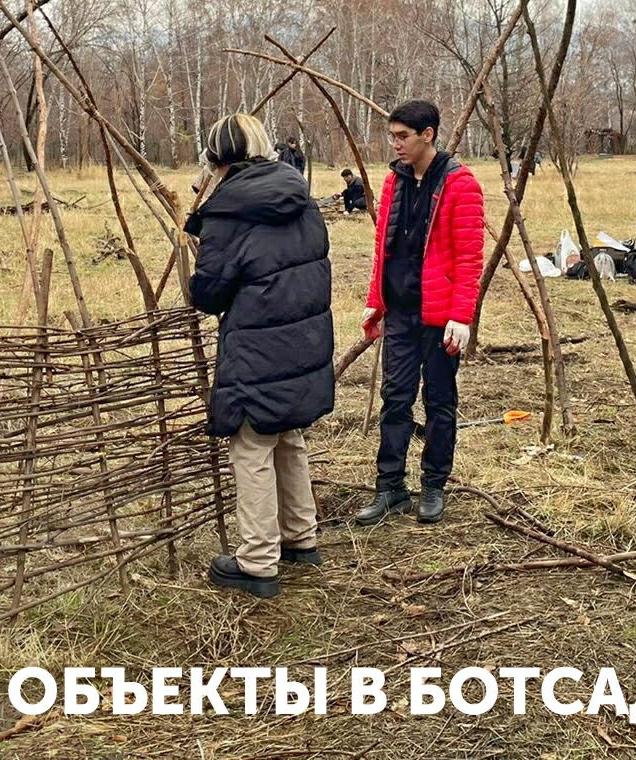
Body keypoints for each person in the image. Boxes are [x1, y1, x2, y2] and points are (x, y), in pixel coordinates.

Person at [186, 114, 333, 599]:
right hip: (305, 337)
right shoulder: (299, 195)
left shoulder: (228, 211)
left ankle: (257, 561)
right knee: (286, 433)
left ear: (216, 160)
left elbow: (209, 293)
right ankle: (300, 538)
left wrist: (202, 247)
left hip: (258, 343)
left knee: (250, 445)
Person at [357, 99, 483, 527]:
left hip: (440, 316)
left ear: (427, 134)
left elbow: (469, 257)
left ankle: (433, 485)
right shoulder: (394, 181)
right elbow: (383, 247)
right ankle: (390, 487)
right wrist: (376, 298)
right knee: (395, 399)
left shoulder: (460, 184)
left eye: (403, 136)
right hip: (400, 312)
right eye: (392, 136)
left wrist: (461, 316)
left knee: (440, 401)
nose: (395, 144)